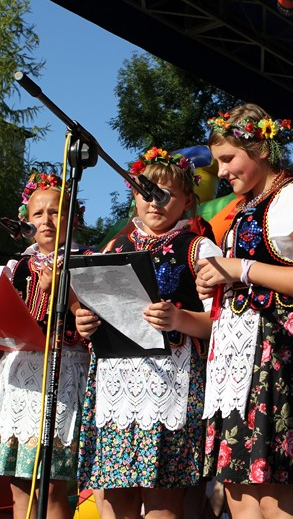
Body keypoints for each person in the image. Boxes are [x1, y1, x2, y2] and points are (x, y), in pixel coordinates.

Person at [196, 103, 293, 519]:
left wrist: (241, 269)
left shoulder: (292, 196)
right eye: (218, 162)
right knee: (239, 490)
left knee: (276, 495)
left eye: (228, 159)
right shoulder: (245, 207)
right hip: (238, 359)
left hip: (279, 353)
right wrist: (219, 280)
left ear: (260, 148)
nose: (222, 172)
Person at [74, 147, 221, 519]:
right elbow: (94, 307)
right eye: (146, 192)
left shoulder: (199, 248)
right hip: (115, 383)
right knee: (115, 497)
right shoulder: (113, 246)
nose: (154, 201)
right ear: (134, 196)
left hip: (169, 383)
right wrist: (85, 321)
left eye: (166, 194)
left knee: (162, 499)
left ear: (188, 201)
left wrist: (179, 319)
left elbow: (219, 322)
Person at [0, 172, 90, 519]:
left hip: (64, 372)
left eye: (56, 212)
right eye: (38, 213)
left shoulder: (86, 260)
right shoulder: (16, 265)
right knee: (19, 484)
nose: (46, 220)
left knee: (51, 485)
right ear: (26, 220)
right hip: (19, 375)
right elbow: (3, 327)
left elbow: (96, 323)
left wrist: (66, 293)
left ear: (72, 218)